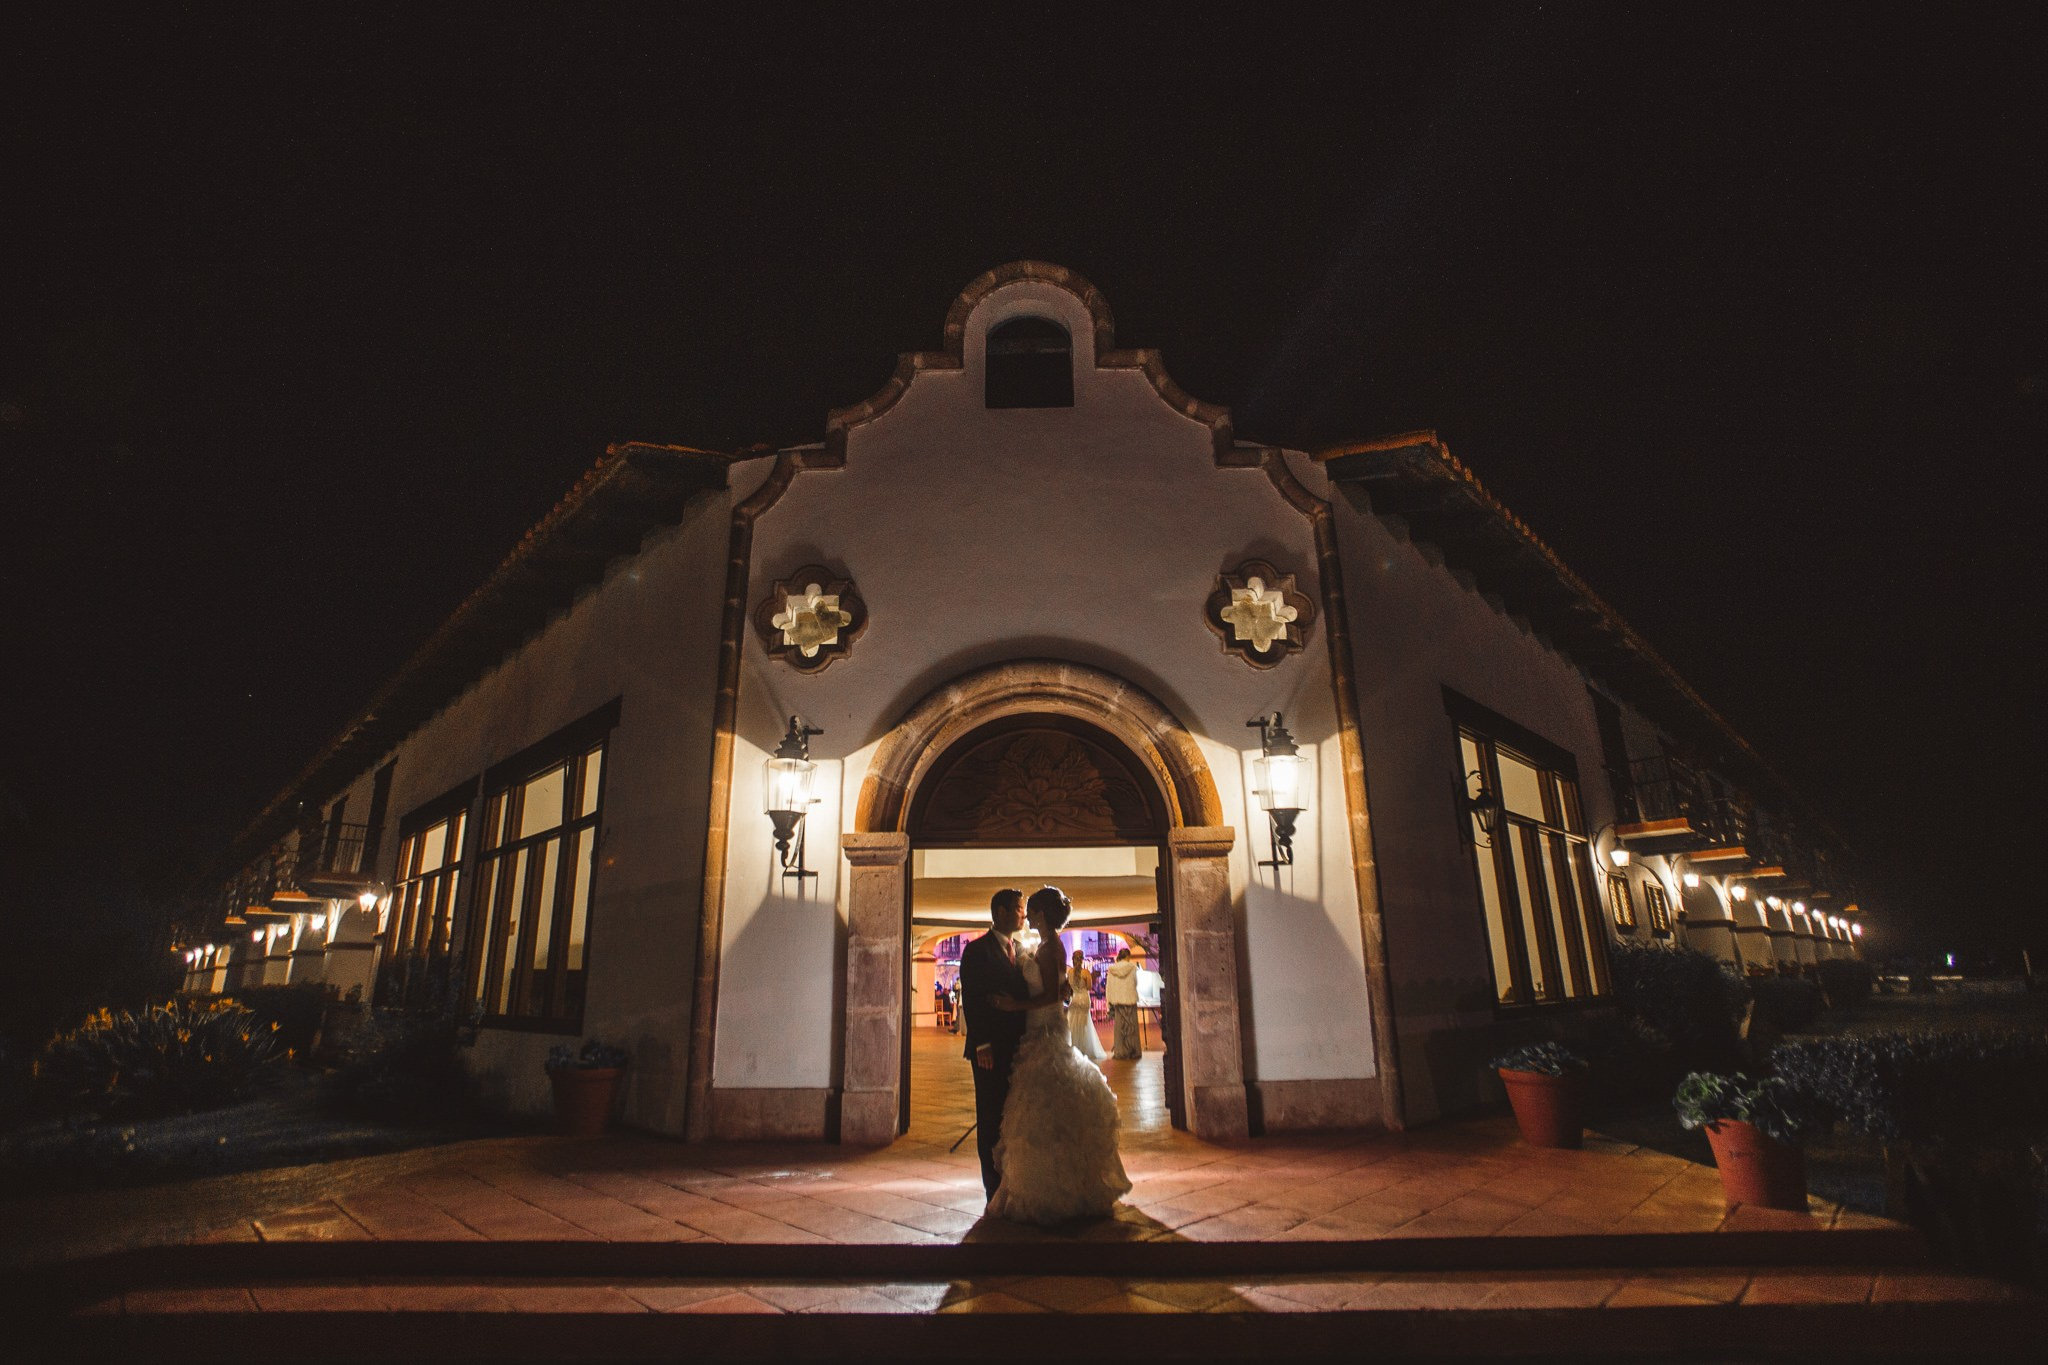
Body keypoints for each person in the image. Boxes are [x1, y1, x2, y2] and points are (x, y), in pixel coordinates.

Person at [983, 886, 1132, 1225]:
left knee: (1045, 1099)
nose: (1027, 915)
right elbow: (1057, 988)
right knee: (1041, 1103)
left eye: (1031, 910)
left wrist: (1014, 1005)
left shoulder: (1053, 947)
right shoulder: (1046, 946)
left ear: (1042, 915)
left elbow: (1050, 996)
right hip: (1037, 1027)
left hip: (1047, 1027)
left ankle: (1053, 1185)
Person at [957, 888, 1031, 1200]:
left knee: (1014, 1114)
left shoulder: (1021, 950)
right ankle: (993, 1187)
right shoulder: (977, 951)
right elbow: (973, 999)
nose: (1023, 914)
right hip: (989, 1048)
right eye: (1018, 908)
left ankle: (1014, 1179)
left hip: (1018, 1046)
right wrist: (982, 1043)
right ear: (1000, 912)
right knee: (989, 1115)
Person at [1066, 947, 1109, 1061]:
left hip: (1074, 999)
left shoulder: (1069, 972)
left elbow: (1069, 986)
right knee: (1085, 1024)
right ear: (1082, 960)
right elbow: (1089, 987)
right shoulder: (1086, 973)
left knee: (1073, 1023)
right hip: (1084, 998)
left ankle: (1074, 1047)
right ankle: (1085, 1048)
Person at [1105, 946, 1142, 1059]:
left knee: (1119, 1027)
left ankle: (1120, 1051)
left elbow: (1109, 987)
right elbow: (1135, 983)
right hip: (1130, 999)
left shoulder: (1112, 969)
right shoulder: (1132, 968)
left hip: (1118, 1001)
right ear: (1128, 956)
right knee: (1132, 1026)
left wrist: (1109, 1002)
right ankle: (1133, 1051)